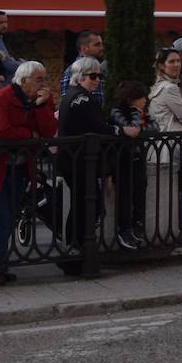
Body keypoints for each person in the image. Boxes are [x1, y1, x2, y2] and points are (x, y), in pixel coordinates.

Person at [0, 60, 57, 286]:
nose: (43, 83)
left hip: (20, 167)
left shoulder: (40, 100)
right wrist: (30, 133)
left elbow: (48, 131)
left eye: (44, 78)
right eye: (39, 79)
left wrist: (41, 107)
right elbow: (0, 131)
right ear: (23, 80)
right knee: (1, 217)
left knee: (8, 218)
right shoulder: (3, 97)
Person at [56, 56, 115, 274]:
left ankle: (76, 252)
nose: (97, 80)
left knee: (85, 204)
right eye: (93, 76)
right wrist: (120, 131)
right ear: (80, 78)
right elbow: (97, 126)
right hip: (78, 161)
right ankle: (76, 252)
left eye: (99, 76)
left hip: (77, 160)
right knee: (86, 205)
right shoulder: (80, 98)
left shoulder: (75, 95)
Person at [146, 48, 182, 242]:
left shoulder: (156, 86)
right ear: (161, 66)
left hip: (157, 146)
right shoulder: (169, 88)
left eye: (178, 61)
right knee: (168, 195)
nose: (176, 65)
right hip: (169, 146)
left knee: (161, 195)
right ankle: (166, 236)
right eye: (171, 61)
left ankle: (162, 234)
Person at [109, 80, 154, 251]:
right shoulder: (117, 112)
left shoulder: (143, 112)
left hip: (138, 158)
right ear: (131, 99)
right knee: (125, 194)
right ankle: (124, 229)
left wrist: (140, 123)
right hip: (123, 159)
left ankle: (137, 224)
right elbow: (133, 129)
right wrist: (136, 115)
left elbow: (154, 126)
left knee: (140, 189)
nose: (145, 100)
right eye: (142, 97)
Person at [59, 31, 104, 106]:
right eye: (97, 45)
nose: (102, 48)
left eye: (102, 44)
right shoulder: (73, 70)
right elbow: (68, 102)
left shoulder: (97, 68)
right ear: (84, 49)